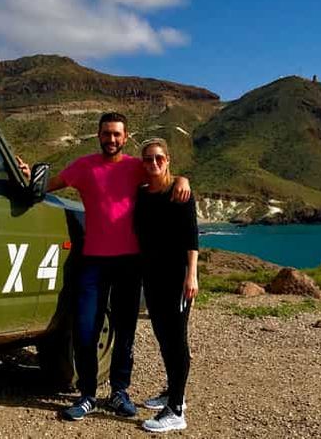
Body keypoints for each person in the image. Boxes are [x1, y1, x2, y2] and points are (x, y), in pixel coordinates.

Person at [17, 113, 190, 422]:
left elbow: (161, 174)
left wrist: (182, 179)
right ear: (98, 135)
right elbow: (47, 186)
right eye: (106, 134)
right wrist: (30, 176)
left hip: (129, 263)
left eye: (117, 135)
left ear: (125, 138)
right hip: (93, 261)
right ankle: (86, 395)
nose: (111, 139)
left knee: (125, 331)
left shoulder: (136, 167)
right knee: (85, 330)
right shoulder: (83, 167)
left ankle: (119, 391)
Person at [133, 138, 198, 433]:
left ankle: (177, 409)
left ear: (168, 160)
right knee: (163, 336)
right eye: (148, 159)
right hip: (152, 277)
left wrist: (192, 274)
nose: (154, 163)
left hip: (176, 278)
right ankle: (171, 392)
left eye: (159, 158)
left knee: (176, 338)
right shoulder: (143, 193)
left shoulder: (180, 192)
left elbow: (190, 238)